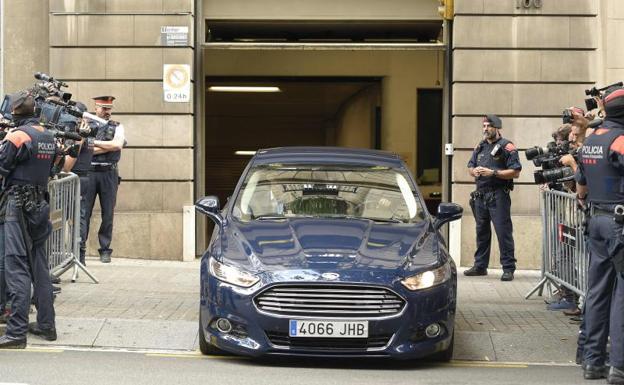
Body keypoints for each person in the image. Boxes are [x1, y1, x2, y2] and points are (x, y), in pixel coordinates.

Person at [0, 91, 57, 348]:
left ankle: (16, 333)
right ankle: (46, 324)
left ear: (15, 114)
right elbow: (54, 168)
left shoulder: (17, 136)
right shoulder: (48, 136)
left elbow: (3, 166)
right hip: (40, 204)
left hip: (18, 206)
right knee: (39, 266)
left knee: (16, 266)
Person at [575, 85, 624, 383]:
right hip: (619, 224)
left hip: (596, 220)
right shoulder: (620, 140)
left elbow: (581, 186)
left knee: (597, 291)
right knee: (621, 294)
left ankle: (592, 361)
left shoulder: (592, 139)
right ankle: (619, 364)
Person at [464, 114, 522, 281]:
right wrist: (473, 171)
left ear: (497, 127)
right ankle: (480, 266)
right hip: (480, 195)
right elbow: (470, 165)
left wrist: (493, 173)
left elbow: (516, 172)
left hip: (498, 195)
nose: (485, 129)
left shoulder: (507, 146)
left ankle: (508, 268)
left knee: (503, 232)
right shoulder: (480, 146)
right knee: (481, 231)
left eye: (488, 126)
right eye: (484, 126)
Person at [83, 96, 125, 263]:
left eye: (109, 109)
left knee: (108, 213)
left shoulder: (117, 126)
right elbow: (83, 149)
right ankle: (81, 248)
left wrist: (93, 144)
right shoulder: (86, 123)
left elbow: (117, 146)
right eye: (104, 108)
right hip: (90, 172)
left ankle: (105, 249)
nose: (107, 112)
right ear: (96, 108)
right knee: (84, 212)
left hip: (109, 173)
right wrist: (105, 146)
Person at [62, 102, 92, 266]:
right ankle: (76, 256)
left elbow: (69, 163)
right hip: (79, 178)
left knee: (76, 218)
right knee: (73, 218)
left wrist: (79, 137)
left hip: (76, 178)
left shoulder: (81, 133)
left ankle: (78, 256)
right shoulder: (85, 131)